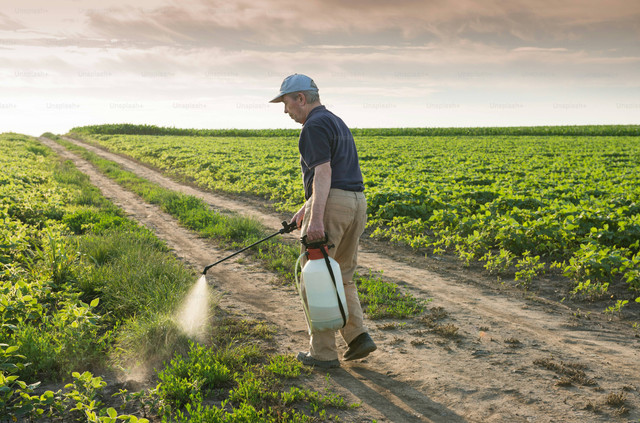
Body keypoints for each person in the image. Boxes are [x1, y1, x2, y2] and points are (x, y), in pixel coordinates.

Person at [269, 74, 377, 369]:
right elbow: (337, 173)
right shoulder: (335, 121)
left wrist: (316, 219)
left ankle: (324, 354)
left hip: (332, 207)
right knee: (341, 275)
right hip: (355, 203)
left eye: (287, 103)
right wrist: (306, 207)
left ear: (301, 99)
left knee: (314, 277)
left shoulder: (312, 127)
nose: (285, 110)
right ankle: (357, 338)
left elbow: (324, 173)